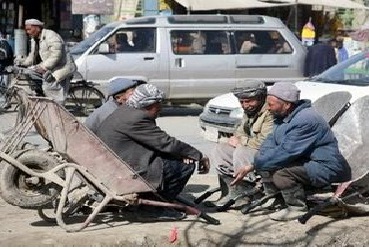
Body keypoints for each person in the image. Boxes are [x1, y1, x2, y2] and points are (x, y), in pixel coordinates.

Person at [232, 82, 351, 221]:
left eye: (271, 105)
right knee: (265, 160)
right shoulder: (282, 116)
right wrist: (257, 160)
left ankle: (296, 208)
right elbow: (269, 143)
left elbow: (285, 152)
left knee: (281, 173)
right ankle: (276, 198)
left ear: (287, 104)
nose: (268, 109)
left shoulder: (306, 120)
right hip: (306, 161)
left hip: (326, 167)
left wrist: (252, 165)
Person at [96, 83, 209, 218]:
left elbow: (159, 142)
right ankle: (153, 209)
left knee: (179, 157)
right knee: (185, 166)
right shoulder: (136, 118)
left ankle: (155, 200)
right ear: (149, 105)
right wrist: (199, 156)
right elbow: (166, 143)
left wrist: (183, 153)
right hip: (126, 168)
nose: (160, 108)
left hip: (117, 161)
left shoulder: (127, 110)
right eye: (158, 104)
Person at [211, 80, 274, 208]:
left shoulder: (270, 113)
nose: (245, 105)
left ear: (261, 97)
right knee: (220, 149)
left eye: (249, 101)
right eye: (242, 102)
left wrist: (242, 141)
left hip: (267, 153)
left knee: (242, 151)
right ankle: (230, 192)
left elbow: (265, 142)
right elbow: (239, 132)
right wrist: (238, 139)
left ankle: (247, 195)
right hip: (252, 148)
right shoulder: (249, 111)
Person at [16, 18, 76, 105]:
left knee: (50, 89)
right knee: (31, 75)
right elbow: (32, 56)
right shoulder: (34, 39)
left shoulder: (51, 35)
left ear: (37, 28)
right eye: (27, 30)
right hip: (50, 67)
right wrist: (22, 63)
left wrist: (43, 67)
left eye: (29, 29)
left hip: (61, 67)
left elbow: (56, 55)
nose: (28, 32)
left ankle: (56, 111)